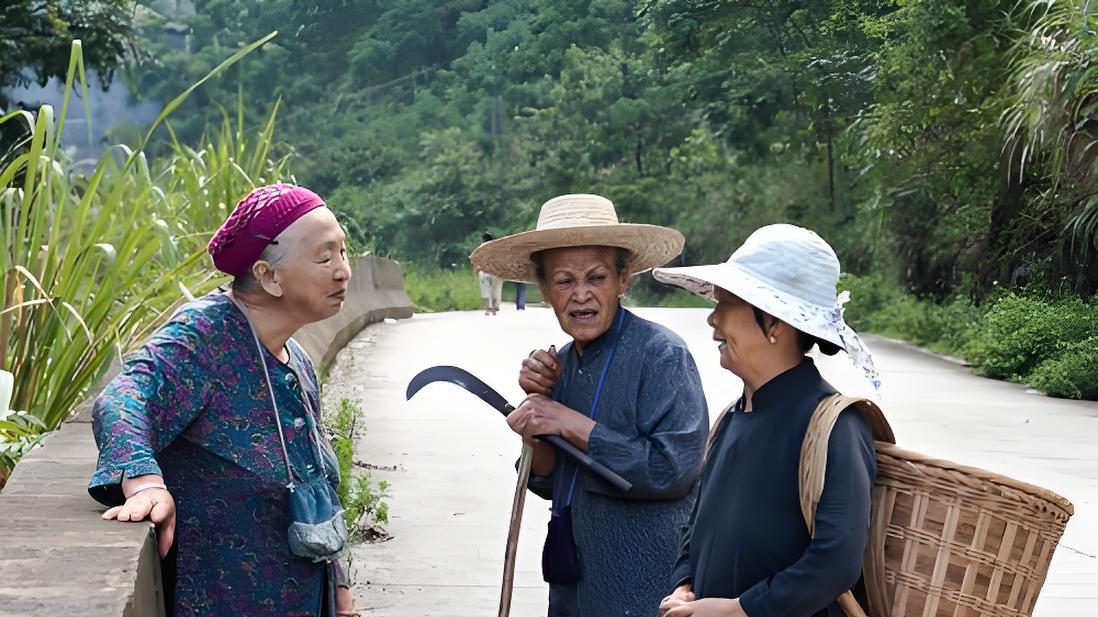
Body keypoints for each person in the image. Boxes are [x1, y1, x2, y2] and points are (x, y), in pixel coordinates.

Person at [88, 183, 361, 617]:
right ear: (269, 276)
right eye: (325, 257)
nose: (343, 270)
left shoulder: (296, 359)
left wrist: (340, 590)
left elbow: (315, 482)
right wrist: (144, 482)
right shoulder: (205, 337)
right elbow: (123, 397)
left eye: (343, 252)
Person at [471, 193, 709, 617]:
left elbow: (672, 471)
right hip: (573, 581)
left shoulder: (662, 355)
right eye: (564, 281)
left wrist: (566, 420)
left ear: (623, 280)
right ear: (545, 290)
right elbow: (546, 481)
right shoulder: (559, 365)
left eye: (596, 277)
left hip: (645, 585)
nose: (581, 295)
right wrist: (538, 419)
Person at [651, 224, 882, 617]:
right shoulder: (730, 418)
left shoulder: (835, 426)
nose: (713, 319)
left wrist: (740, 610)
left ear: (774, 323)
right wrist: (684, 585)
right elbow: (697, 527)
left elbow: (836, 562)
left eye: (726, 303)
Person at [476, 232, 505, 315]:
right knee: (494, 291)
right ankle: (494, 308)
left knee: (485, 291)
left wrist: (477, 270)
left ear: (483, 239)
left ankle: (487, 309)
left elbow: (477, 260)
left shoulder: (480, 248)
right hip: (494, 272)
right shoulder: (496, 248)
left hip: (483, 271)